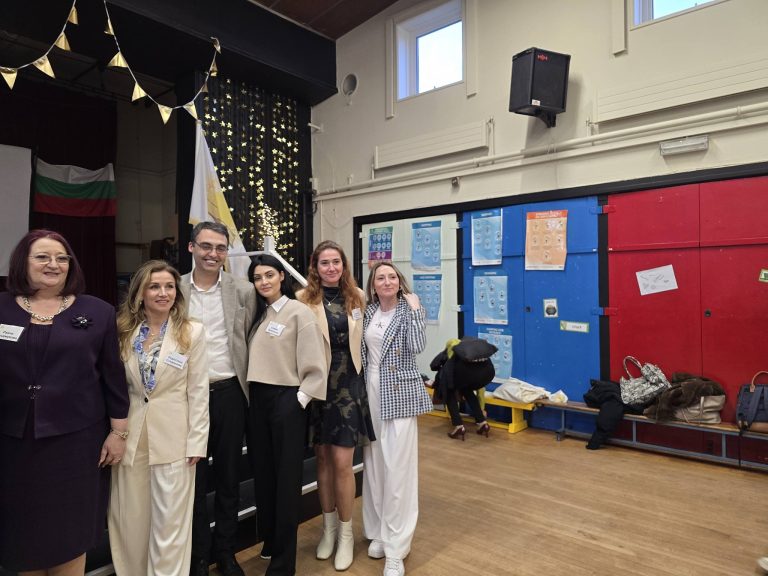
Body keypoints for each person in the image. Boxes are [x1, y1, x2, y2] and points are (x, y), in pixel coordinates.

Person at [0, 229, 129, 575]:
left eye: (61, 258)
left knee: (69, 532)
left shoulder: (98, 311)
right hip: (13, 446)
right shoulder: (1, 308)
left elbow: (113, 377)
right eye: (42, 257)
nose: (53, 264)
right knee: (21, 534)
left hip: (76, 446)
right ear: (23, 262)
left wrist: (118, 433)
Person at [108, 260, 210, 576]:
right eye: (154, 286)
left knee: (170, 526)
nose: (163, 293)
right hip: (131, 438)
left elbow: (199, 391)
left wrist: (197, 441)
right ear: (140, 293)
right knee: (130, 521)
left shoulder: (192, 332)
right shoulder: (123, 331)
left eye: (169, 286)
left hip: (175, 439)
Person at [246, 254, 327, 576]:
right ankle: (271, 542)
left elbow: (316, 364)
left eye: (269, 274)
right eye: (257, 277)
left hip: (286, 400)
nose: (263, 281)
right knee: (264, 476)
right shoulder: (259, 314)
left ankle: (283, 564)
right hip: (258, 401)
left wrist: (298, 401)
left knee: (286, 482)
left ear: (282, 275)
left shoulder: (298, 312)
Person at [182, 222, 256, 576]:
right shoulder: (174, 288)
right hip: (186, 397)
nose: (213, 254)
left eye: (220, 248)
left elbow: (250, 337)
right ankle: (198, 556)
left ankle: (225, 552)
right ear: (191, 247)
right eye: (206, 246)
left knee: (228, 477)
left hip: (229, 393)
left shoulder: (243, 290)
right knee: (193, 480)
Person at [297, 241, 375, 571]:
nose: (331, 268)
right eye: (324, 263)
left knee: (343, 462)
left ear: (344, 265)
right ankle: (327, 529)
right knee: (323, 460)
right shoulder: (303, 299)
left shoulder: (358, 296)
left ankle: (345, 534)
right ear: (315, 267)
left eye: (336, 262)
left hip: (348, 387)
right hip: (317, 387)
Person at [362, 261, 432, 576]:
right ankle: (378, 531)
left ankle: (397, 547)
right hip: (370, 390)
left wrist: (416, 310)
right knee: (375, 464)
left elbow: (417, 346)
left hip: (399, 392)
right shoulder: (368, 311)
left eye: (392, 276)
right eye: (381, 277)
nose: (387, 281)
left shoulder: (410, 310)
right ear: (373, 285)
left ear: (400, 282)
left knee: (398, 469)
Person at [429, 338, 493, 441]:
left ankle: (459, 426)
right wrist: (482, 408)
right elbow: (480, 390)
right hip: (480, 377)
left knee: (449, 394)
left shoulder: (450, 352)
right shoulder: (473, 355)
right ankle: (482, 423)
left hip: (456, 377)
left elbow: (433, 365)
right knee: (467, 391)